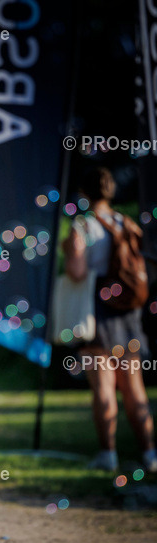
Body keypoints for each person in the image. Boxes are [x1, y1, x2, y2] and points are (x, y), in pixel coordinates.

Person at [62, 166, 157, 473]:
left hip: (98, 310)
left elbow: (76, 272)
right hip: (127, 311)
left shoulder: (83, 225)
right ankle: (150, 454)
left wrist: (69, 253)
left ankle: (108, 454)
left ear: (83, 193)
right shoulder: (124, 222)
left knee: (103, 385)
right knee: (134, 387)